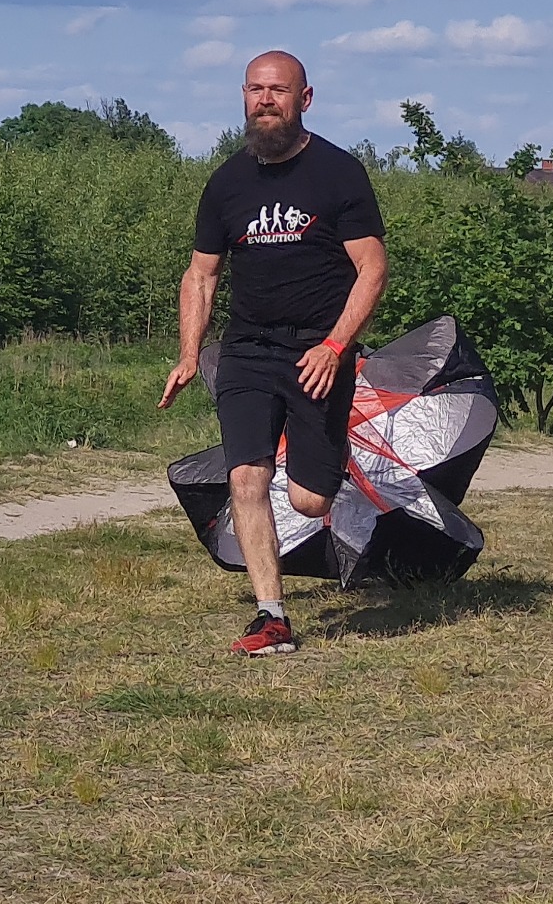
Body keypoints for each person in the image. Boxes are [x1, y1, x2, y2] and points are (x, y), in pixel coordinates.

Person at [158, 51, 388, 656]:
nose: (265, 100)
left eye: (278, 91)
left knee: (309, 501)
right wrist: (189, 354)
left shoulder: (338, 174)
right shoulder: (226, 183)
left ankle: (335, 460)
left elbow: (372, 268)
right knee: (246, 476)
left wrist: (336, 345)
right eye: (255, 89)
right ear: (243, 96)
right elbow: (201, 275)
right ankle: (272, 618)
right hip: (248, 350)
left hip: (318, 353)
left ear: (303, 100)